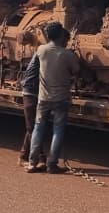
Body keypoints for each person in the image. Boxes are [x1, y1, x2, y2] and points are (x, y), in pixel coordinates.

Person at [26, 21, 81, 173]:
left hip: (43, 98)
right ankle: (52, 164)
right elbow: (76, 70)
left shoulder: (41, 50)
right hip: (61, 99)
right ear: (61, 35)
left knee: (38, 128)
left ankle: (32, 163)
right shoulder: (67, 55)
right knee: (58, 130)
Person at [18, 50, 40, 164]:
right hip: (31, 93)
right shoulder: (43, 54)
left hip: (32, 92)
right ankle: (39, 158)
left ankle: (24, 156)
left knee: (33, 127)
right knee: (34, 127)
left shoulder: (41, 54)